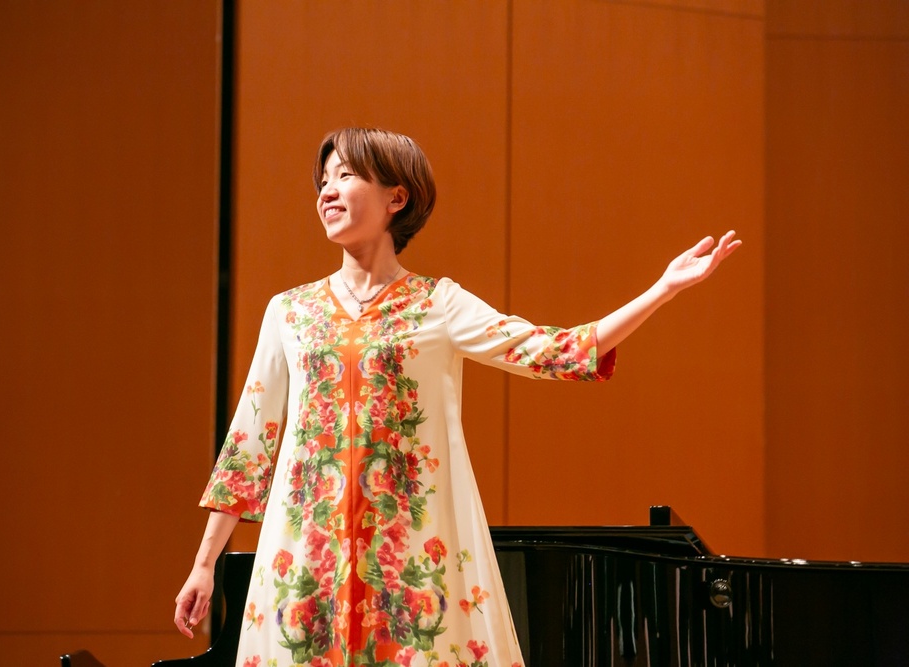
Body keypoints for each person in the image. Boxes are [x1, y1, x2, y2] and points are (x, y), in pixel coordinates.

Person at [173, 127, 741, 667]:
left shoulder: (438, 305)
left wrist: (662, 290)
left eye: (345, 176)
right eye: (323, 180)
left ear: (397, 197)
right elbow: (249, 443)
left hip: (410, 565)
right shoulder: (289, 312)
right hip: (304, 559)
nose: (327, 191)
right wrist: (204, 565)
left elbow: (554, 350)